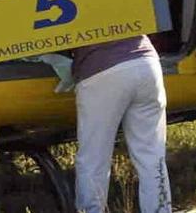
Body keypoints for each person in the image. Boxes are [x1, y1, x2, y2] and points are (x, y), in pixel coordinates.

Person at [73, 35, 172, 213]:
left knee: (93, 158)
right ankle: (160, 209)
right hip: (147, 63)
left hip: (101, 70)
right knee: (152, 155)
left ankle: (91, 210)